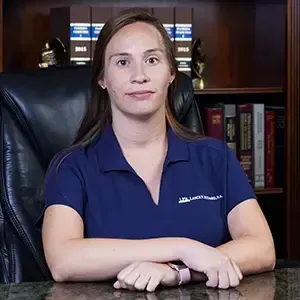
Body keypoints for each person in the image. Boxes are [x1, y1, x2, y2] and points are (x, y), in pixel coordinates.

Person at [37, 8, 275, 292]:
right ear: (102, 78)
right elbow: (63, 260)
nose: (140, 75)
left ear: (171, 73)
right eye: (122, 62)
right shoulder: (71, 166)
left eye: (152, 60)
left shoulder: (215, 157)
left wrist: (177, 272)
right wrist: (183, 248)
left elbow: (262, 248)